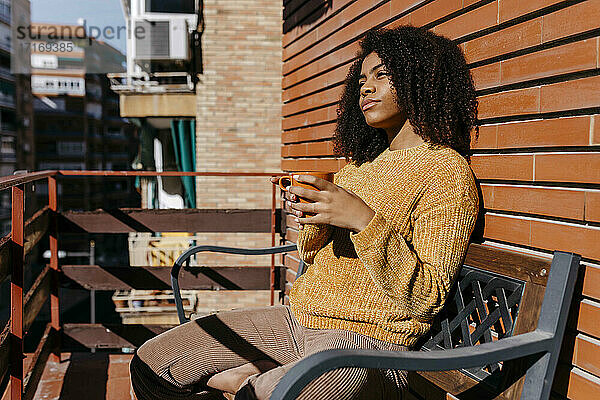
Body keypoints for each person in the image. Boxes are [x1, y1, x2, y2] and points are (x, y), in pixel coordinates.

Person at [129, 25, 480, 400]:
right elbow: (314, 257)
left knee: (269, 395)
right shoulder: (360, 167)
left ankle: (247, 382)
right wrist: (311, 220)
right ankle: (247, 380)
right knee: (152, 364)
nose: (365, 87)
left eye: (382, 76)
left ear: (419, 81)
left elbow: (426, 298)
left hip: (365, 344)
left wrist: (362, 219)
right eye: (362, 79)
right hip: (296, 319)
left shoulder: (446, 173)